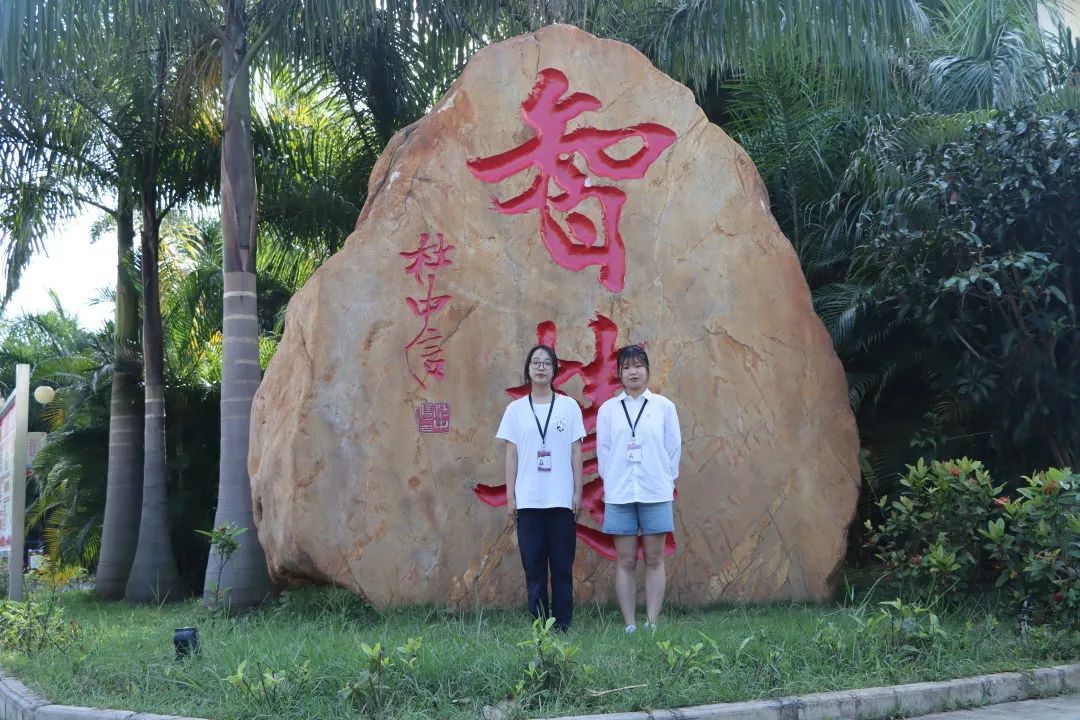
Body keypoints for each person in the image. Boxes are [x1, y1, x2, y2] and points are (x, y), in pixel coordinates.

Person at [496, 344, 585, 631]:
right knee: (533, 569)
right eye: (535, 362)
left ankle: (562, 625)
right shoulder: (515, 410)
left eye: (547, 363)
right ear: (528, 369)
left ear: (555, 369)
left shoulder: (569, 407)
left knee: (562, 568)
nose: (541, 367)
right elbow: (511, 455)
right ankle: (540, 625)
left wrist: (578, 493)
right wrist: (510, 497)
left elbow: (576, 452)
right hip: (529, 501)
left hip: (561, 501)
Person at [596, 344, 681, 633]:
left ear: (647, 370)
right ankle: (630, 623)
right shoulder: (608, 410)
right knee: (626, 559)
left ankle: (652, 622)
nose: (633, 372)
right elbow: (604, 452)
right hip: (620, 494)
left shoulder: (664, 407)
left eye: (638, 366)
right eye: (627, 367)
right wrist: (612, 482)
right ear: (619, 373)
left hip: (655, 491)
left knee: (654, 558)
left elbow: (673, 449)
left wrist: (665, 480)